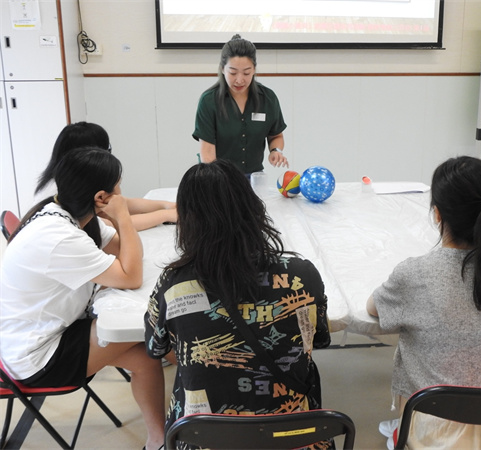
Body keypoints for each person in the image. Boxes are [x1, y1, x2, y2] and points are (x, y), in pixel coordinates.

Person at [144, 160, 330, 439]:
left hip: (201, 439)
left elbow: (156, 347)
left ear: (186, 220)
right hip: (293, 437)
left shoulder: (173, 284)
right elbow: (318, 339)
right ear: (253, 209)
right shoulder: (302, 275)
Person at [367, 156, 481, 449]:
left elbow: (374, 308)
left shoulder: (415, 272)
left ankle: (402, 430)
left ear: (437, 214)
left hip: (439, 431)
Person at [0, 148, 165, 450]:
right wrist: (123, 216)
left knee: (147, 356)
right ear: (102, 197)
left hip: (46, 331)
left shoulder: (65, 213)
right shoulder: (61, 236)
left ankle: (160, 438)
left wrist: (121, 223)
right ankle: (184, 424)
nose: (121, 193)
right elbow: (131, 275)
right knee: (160, 334)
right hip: (37, 355)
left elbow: (122, 250)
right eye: (118, 187)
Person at [36, 121, 177, 231]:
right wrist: (165, 215)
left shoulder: (70, 178)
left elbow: (121, 203)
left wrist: (167, 206)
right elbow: (109, 226)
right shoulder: (62, 190)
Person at [192, 34, 289, 175]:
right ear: (222, 69)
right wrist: (219, 182)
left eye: (246, 73)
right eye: (233, 73)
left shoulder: (267, 98)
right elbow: (207, 153)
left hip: (254, 176)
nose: (239, 80)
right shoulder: (209, 101)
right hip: (218, 176)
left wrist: (276, 151)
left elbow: (276, 136)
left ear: (254, 69)